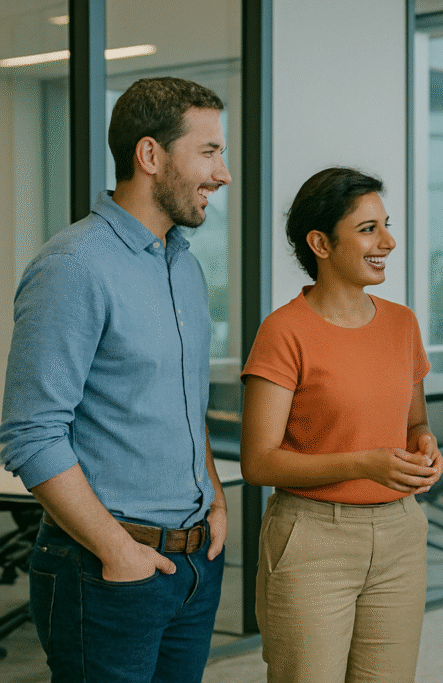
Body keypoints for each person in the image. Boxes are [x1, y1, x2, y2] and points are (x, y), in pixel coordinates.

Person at [0, 77, 231, 682]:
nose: (223, 174)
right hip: (105, 571)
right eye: (209, 152)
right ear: (150, 155)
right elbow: (31, 433)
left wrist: (214, 498)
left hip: (194, 563)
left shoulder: (184, 265)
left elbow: (184, 404)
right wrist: (116, 549)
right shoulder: (74, 265)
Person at [239, 167, 442, 683]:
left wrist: (424, 442)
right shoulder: (284, 331)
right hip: (312, 539)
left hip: (400, 534)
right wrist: (364, 464)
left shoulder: (402, 323)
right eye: (368, 229)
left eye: (386, 226)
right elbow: (259, 462)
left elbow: (415, 420)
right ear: (321, 244)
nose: (387, 242)